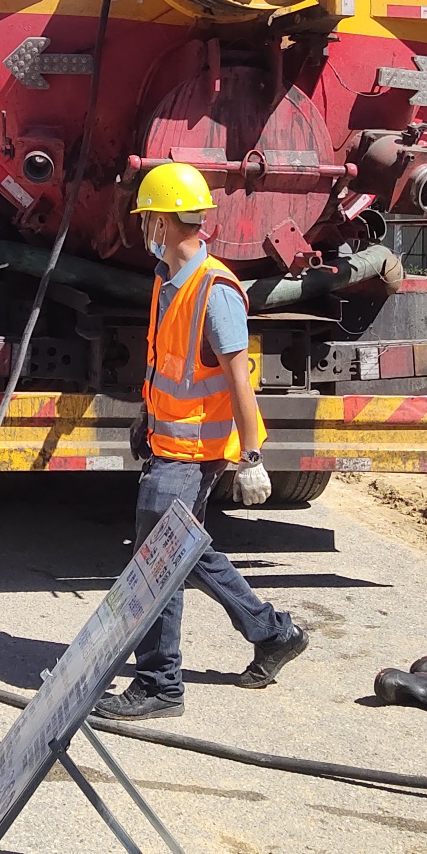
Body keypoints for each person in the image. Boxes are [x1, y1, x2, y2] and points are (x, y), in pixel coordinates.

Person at [95, 162, 308, 720]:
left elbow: (241, 379)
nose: (144, 229)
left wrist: (252, 458)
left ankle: (160, 684)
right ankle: (271, 631)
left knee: (157, 559)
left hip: (196, 456)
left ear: (163, 223)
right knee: (183, 553)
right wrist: (148, 416)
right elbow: (171, 366)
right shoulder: (169, 283)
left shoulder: (214, 291)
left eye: (148, 220)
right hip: (170, 445)